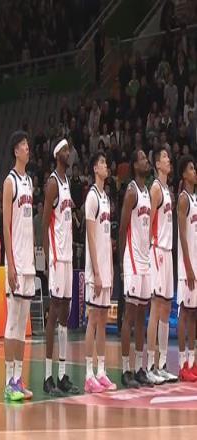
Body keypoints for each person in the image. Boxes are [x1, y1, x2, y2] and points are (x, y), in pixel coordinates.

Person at [42, 139, 79, 396]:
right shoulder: (53, 183)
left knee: (65, 311)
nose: (69, 153)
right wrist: (47, 258)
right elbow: (45, 222)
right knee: (54, 311)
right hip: (57, 256)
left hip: (68, 256)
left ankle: (63, 373)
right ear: (58, 156)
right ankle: (47, 376)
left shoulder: (67, 183)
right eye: (65, 151)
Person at [2, 131, 35, 401]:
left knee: (23, 324)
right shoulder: (9, 182)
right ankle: (7, 381)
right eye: (23, 145)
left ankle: (18, 378)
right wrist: (11, 263)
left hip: (29, 262)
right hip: (15, 261)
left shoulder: (30, 182)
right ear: (15, 151)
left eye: (27, 145)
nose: (27, 148)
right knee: (12, 322)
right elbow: (6, 225)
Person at [119, 149, 153, 389]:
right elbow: (122, 229)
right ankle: (125, 369)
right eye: (142, 158)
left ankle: (140, 368)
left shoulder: (147, 192)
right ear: (134, 165)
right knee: (129, 317)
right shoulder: (131, 191)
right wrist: (122, 263)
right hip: (131, 261)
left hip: (145, 260)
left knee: (142, 316)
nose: (146, 161)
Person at [83, 152, 117, 393]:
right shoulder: (92, 197)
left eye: (106, 162)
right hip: (95, 269)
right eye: (102, 163)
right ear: (95, 168)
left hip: (106, 268)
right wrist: (96, 271)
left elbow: (107, 238)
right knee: (93, 319)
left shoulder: (105, 197)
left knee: (103, 320)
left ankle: (102, 371)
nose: (106, 166)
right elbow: (91, 237)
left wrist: (110, 270)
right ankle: (88, 374)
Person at [146, 147, 179, 384]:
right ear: (157, 164)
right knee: (156, 308)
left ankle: (163, 363)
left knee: (166, 308)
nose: (169, 159)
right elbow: (148, 223)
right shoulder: (156, 188)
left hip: (168, 252)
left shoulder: (168, 190)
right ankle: (150, 365)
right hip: (157, 249)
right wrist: (148, 252)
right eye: (165, 157)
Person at [176, 156, 197, 381]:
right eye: (191, 168)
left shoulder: (195, 199)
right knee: (185, 312)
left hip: (196, 264)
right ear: (184, 174)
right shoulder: (183, 199)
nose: (195, 171)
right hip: (186, 266)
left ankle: (192, 361)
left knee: (194, 313)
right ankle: (182, 363)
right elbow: (182, 236)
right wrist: (189, 267)